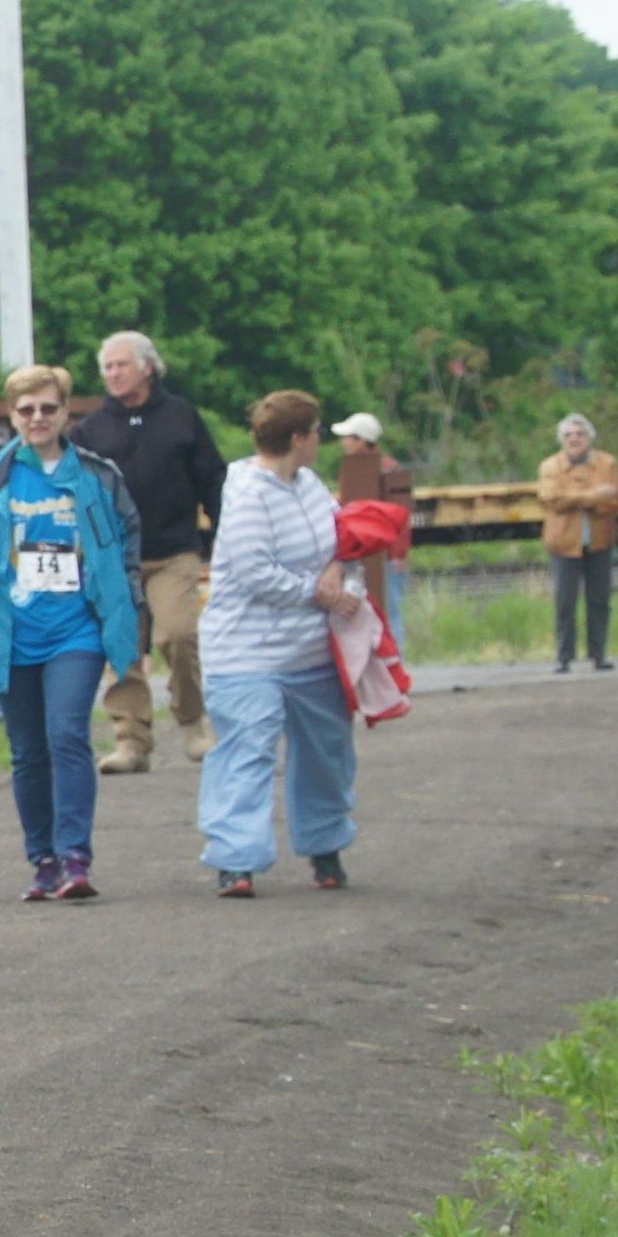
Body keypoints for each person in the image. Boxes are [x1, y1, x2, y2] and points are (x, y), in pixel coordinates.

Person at [0, 363, 143, 902]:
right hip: (11, 632)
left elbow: (126, 546)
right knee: (28, 751)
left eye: (48, 408)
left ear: (64, 412)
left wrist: (128, 614)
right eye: (26, 410)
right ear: (12, 416)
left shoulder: (98, 477)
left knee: (67, 735)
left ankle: (76, 856)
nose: (37, 418)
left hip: (75, 631)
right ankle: (43, 860)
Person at [197, 390, 363, 893]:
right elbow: (254, 573)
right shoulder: (247, 492)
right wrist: (320, 595)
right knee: (248, 749)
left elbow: (343, 539)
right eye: (315, 432)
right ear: (298, 438)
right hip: (244, 651)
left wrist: (339, 572)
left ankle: (325, 845)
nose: (319, 441)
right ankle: (236, 859)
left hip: (310, 649)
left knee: (326, 753)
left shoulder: (312, 485)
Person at [78, 332, 225, 771]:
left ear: (147, 367)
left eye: (122, 365)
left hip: (174, 550)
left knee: (177, 636)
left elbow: (212, 478)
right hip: (115, 557)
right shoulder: (91, 429)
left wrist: (223, 535)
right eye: (107, 367)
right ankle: (131, 741)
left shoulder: (181, 416)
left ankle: (194, 722)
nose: (114, 374)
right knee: (121, 650)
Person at [535, 411, 618, 673]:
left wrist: (579, 499)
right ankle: (564, 657)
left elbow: (617, 498)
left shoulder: (608, 463)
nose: (574, 439)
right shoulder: (549, 467)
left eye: (580, 434)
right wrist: (594, 495)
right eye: (568, 435)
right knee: (565, 601)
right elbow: (552, 499)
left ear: (590, 437)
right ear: (561, 440)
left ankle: (599, 655)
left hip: (600, 540)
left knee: (599, 600)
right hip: (563, 543)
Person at [328, 411, 416, 635]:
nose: (344, 442)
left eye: (349, 437)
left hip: (385, 555)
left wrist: (398, 553)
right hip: (367, 553)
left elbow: (400, 515)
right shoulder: (359, 469)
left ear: (361, 440)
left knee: (390, 611)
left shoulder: (386, 470)